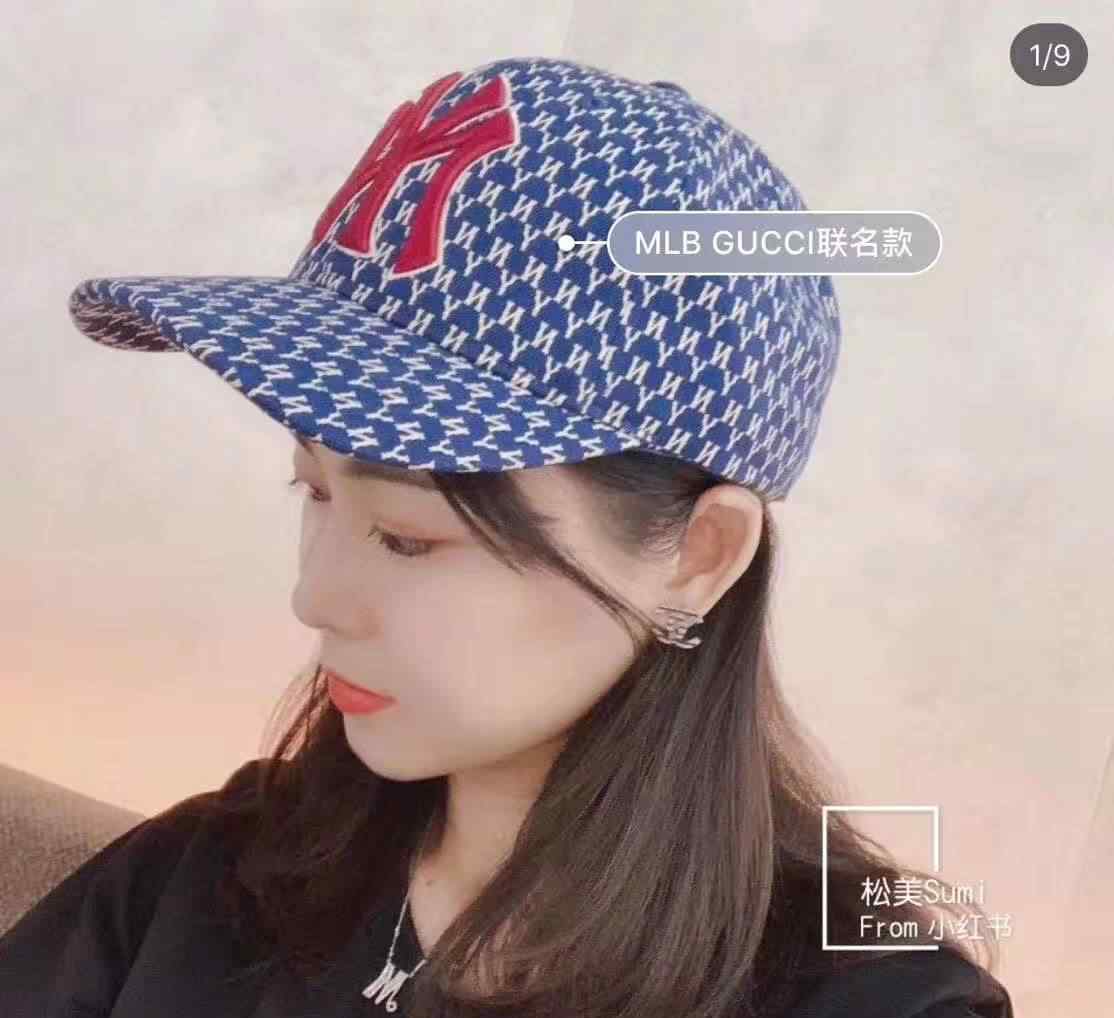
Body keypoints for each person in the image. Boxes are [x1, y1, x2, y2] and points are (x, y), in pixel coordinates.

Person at [0, 56, 1013, 1018]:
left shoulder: (867, 999)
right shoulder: (209, 879)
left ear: (698, 554)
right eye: (313, 490)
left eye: (406, 536)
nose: (315, 597)